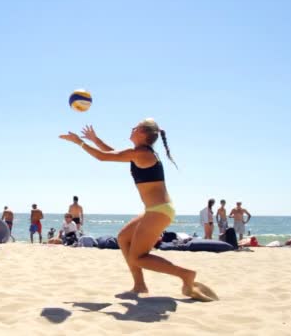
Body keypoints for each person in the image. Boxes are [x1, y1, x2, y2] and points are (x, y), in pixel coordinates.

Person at [60, 120, 215, 301]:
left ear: (142, 132)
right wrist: (95, 139)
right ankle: (139, 285)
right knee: (123, 237)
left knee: (138, 258)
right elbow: (111, 153)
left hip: (159, 210)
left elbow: (103, 157)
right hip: (155, 209)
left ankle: (185, 275)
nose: (131, 128)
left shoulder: (142, 153)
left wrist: (79, 142)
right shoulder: (139, 153)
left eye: (135, 127)